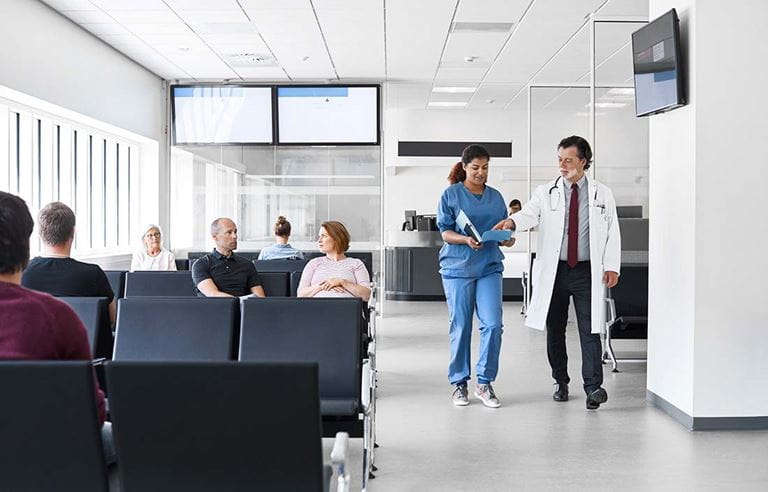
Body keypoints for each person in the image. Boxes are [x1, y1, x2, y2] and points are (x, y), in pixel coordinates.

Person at [493, 135, 621, 410]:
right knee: (555, 329)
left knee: (590, 329)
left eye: (568, 160)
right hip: (556, 271)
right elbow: (528, 214)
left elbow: (613, 231)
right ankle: (560, 381)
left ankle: (593, 387)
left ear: (583, 162)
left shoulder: (602, 193)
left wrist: (612, 265)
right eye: (559, 159)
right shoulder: (545, 192)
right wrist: (512, 221)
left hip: (588, 271)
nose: (562, 165)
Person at [0, 192, 115, 464]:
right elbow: (92, 413)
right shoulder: (57, 316)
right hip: (38, 446)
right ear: (25, 247)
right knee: (124, 435)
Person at [437, 144, 515, 409]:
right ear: (464, 166)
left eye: (485, 168)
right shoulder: (451, 194)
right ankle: (459, 383)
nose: (481, 173)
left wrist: (507, 239)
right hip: (457, 268)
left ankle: (484, 382)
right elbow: (445, 232)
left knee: (493, 325)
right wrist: (465, 239)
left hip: (489, 266)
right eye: (475, 168)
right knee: (461, 326)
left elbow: (505, 228)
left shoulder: (496, 197)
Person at [21, 202, 116, 324]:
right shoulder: (93, 274)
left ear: (39, 233)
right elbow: (112, 318)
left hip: (32, 342)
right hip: (80, 342)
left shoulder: (21, 273)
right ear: (72, 233)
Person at [192, 217, 266, 298]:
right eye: (229, 232)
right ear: (215, 237)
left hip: (242, 309)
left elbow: (260, 297)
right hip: (214, 308)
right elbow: (212, 294)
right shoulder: (202, 264)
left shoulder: (247, 264)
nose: (234, 236)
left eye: (235, 232)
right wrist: (239, 302)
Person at [297, 221, 371, 301]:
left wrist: (343, 282)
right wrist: (323, 286)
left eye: (324, 236)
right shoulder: (313, 263)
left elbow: (366, 296)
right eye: (319, 236)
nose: (319, 240)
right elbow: (301, 295)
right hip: (317, 310)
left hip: (347, 311)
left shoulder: (356, 264)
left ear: (337, 239)